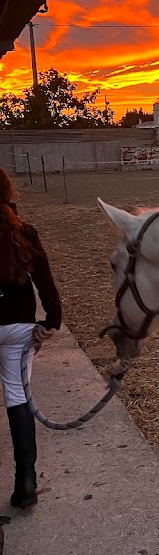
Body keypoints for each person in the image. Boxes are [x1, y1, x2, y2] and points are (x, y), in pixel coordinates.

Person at [0, 167, 61, 508]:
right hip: (18, 329)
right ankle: (26, 483)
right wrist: (51, 322)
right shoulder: (23, 232)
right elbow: (45, 282)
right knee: (17, 397)